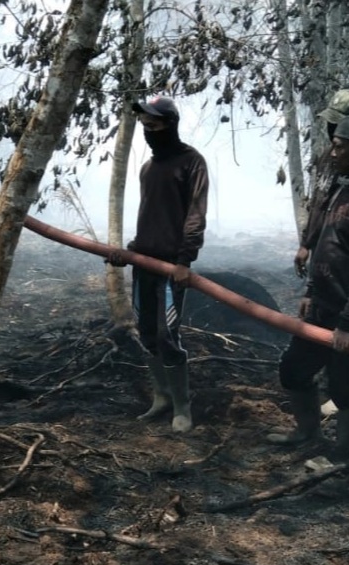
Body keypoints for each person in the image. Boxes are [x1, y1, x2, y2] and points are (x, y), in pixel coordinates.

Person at [268, 114, 349, 459]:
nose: (332, 152)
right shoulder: (342, 190)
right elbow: (327, 246)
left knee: (343, 385)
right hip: (321, 306)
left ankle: (342, 452)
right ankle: (306, 432)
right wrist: (311, 291)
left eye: (340, 146)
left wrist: (348, 322)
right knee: (294, 370)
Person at [112, 95, 209, 433]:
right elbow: (151, 215)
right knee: (146, 333)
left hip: (171, 266)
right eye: (144, 127)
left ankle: (183, 408)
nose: (147, 132)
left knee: (168, 335)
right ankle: (162, 396)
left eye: (153, 126)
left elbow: (195, 214)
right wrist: (132, 249)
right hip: (144, 264)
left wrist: (185, 260)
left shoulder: (191, 162)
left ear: (170, 125)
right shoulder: (148, 169)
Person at [293, 89, 349, 280]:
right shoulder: (329, 158)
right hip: (324, 257)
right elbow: (320, 202)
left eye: (337, 122)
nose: (331, 127)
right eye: (331, 121)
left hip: (348, 259)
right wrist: (306, 244)